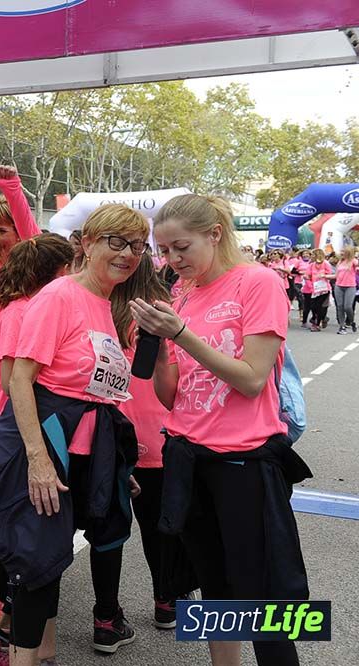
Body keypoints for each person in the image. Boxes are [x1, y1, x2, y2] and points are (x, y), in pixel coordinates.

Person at [131, 193, 310, 666]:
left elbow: (252, 379)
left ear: (214, 234)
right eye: (164, 251)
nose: (172, 260)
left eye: (181, 247)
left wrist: (180, 334)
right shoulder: (182, 294)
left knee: (265, 594)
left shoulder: (258, 282)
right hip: (188, 456)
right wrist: (161, 349)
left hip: (244, 461)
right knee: (214, 586)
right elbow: (172, 397)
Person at [0, 204, 146, 665]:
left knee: (50, 561)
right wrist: (37, 459)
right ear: (87, 243)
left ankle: (43, 654)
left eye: (136, 246)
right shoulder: (59, 296)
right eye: (116, 242)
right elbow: (20, 380)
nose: (127, 254)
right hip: (45, 445)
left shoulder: (106, 303)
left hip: (85, 450)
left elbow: (98, 391)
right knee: (35, 563)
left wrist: (115, 463)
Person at [0, 234, 74, 666]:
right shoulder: (25, 310)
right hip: (10, 441)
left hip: (9, 438)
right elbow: (13, 382)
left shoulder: (23, 307)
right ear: (56, 273)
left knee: (4, 547)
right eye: (69, 269)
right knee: (3, 549)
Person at [112, 255, 197, 631]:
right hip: (160, 432)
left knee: (110, 532)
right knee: (161, 525)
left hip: (113, 434)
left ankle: (106, 612)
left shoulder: (105, 312)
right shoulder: (167, 314)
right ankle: (167, 599)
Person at [306, 249, 333, 331]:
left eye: (313, 255)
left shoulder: (325, 264)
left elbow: (329, 274)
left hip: (324, 288)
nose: (311, 256)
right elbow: (308, 275)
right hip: (315, 288)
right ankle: (318, 319)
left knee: (319, 306)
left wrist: (324, 275)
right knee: (313, 306)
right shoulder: (311, 265)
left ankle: (317, 324)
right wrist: (306, 277)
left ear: (317, 255)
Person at [334, 246, 357, 333]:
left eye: (343, 251)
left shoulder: (353, 261)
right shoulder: (340, 262)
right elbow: (336, 276)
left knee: (347, 306)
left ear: (348, 252)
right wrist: (324, 276)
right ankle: (342, 326)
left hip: (350, 286)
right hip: (339, 286)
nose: (341, 253)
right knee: (340, 306)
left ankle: (351, 321)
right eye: (341, 251)